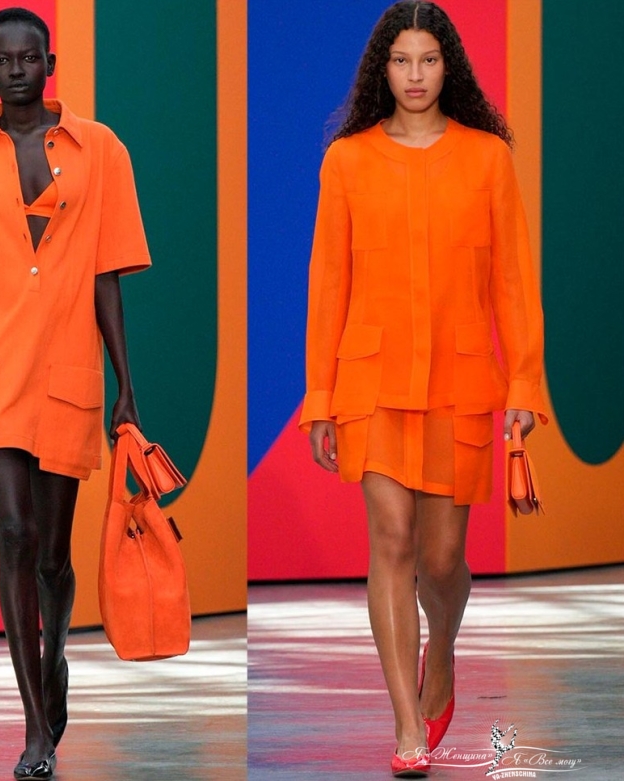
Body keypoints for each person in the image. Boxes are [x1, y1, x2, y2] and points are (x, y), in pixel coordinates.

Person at [300, 2, 546, 777]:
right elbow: (327, 285)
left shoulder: (487, 158)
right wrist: (320, 398)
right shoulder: (347, 160)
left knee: (441, 561)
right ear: (383, 69)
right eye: (401, 60)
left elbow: (513, 281)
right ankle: (407, 723)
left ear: (450, 68)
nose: (414, 75)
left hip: (461, 381)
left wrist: (524, 383)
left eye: (429, 60)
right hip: (371, 382)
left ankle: (442, 649)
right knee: (392, 542)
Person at [0, 8, 150, 779]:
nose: (16, 69)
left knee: (51, 554)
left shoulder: (101, 148)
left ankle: (54, 661)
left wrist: (127, 386)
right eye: (2, 60)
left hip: (68, 368)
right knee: (12, 533)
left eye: (28, 56)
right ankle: (35, 724)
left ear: (50, 61)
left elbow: (107, 274)